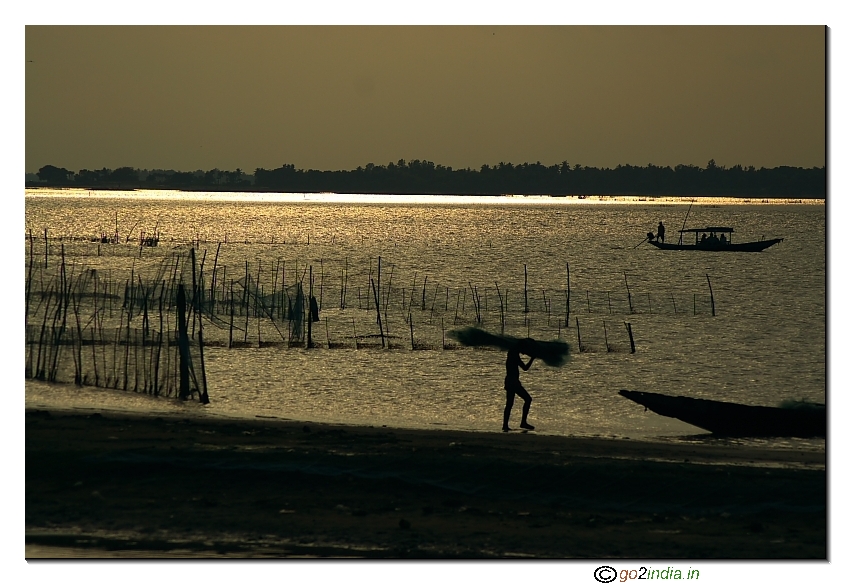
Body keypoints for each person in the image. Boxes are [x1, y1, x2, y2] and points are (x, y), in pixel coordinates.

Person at [503, 338, 537, 432]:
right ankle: (523, 422)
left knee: (509, 404)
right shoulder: (514, 355)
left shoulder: (512, 353)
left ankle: (505, 425)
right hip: (513, 382)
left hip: (510, 381)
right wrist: (532, 358)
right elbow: (525, 368)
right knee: (528, 399)